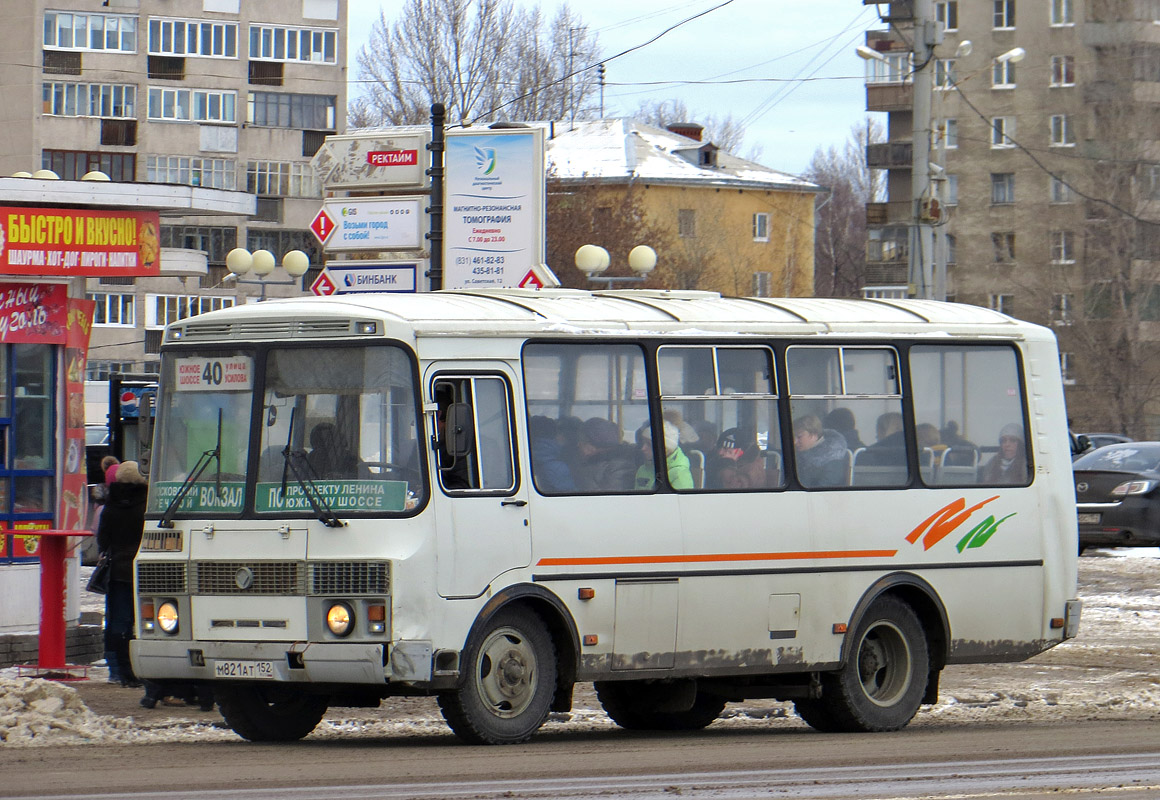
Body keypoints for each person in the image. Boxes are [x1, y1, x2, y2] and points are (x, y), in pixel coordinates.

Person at [95, 460, 148, 687]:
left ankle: (118, 669)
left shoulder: (110, 506)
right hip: (143, 571)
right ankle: (141, 669)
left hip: (117, 570)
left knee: (117, 620)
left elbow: (102, 541)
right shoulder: (146, 506)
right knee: (142, 621)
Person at [576, 417, 636, 492]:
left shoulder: (621, 468)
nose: (578, 446)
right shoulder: (588, 463)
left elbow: (610, 498)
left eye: (583, 443)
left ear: (595, 446)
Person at [634, 420, 694, 490]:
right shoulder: (643, 470)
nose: (643, 448)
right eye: (643, 443)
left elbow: (681, 500)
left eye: (649, 444)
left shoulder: (679, 474)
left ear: (665, 448)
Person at [793, 414, 848, 487]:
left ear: (814, 435)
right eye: (793, 437)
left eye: (799, 437)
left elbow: (824, 489)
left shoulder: (833, 457)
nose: (794, 441)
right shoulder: (798, 455)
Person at [528, 415, 575, 493]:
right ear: (557, 436)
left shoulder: (528, 455)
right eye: (560, 432)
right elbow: (573, 497)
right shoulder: (558, 468)